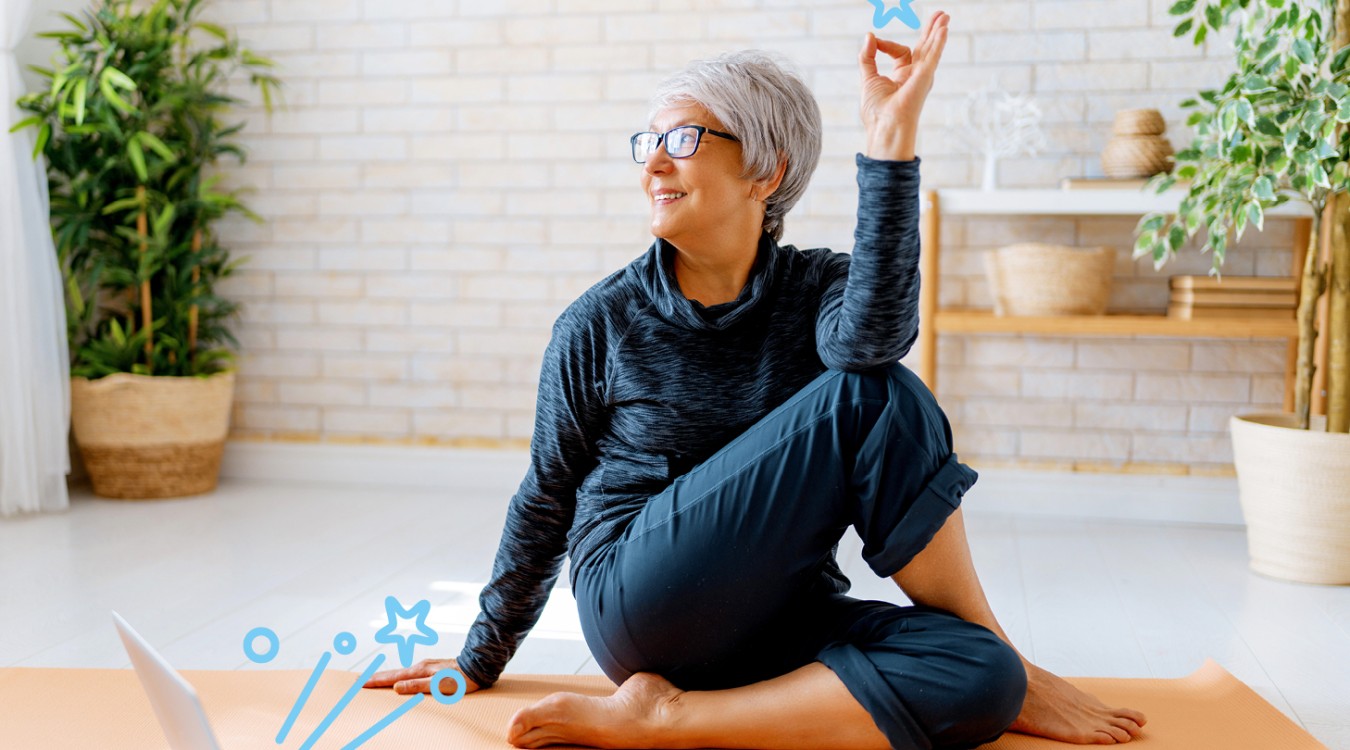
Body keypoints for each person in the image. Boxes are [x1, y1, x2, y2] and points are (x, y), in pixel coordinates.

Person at [365, 12, 1148, 749]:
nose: (655, 163)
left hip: (777, 617)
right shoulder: (599, 322)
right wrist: (478, 658)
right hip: (642, 603)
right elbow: (545, 497)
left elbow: (874, 338)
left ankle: (674, 718)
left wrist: (890, 142)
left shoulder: (816, 290)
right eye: (648, 141)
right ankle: (1019, 667)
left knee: (982, 677)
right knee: (875, 395)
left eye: (682, 137)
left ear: (765, 171)